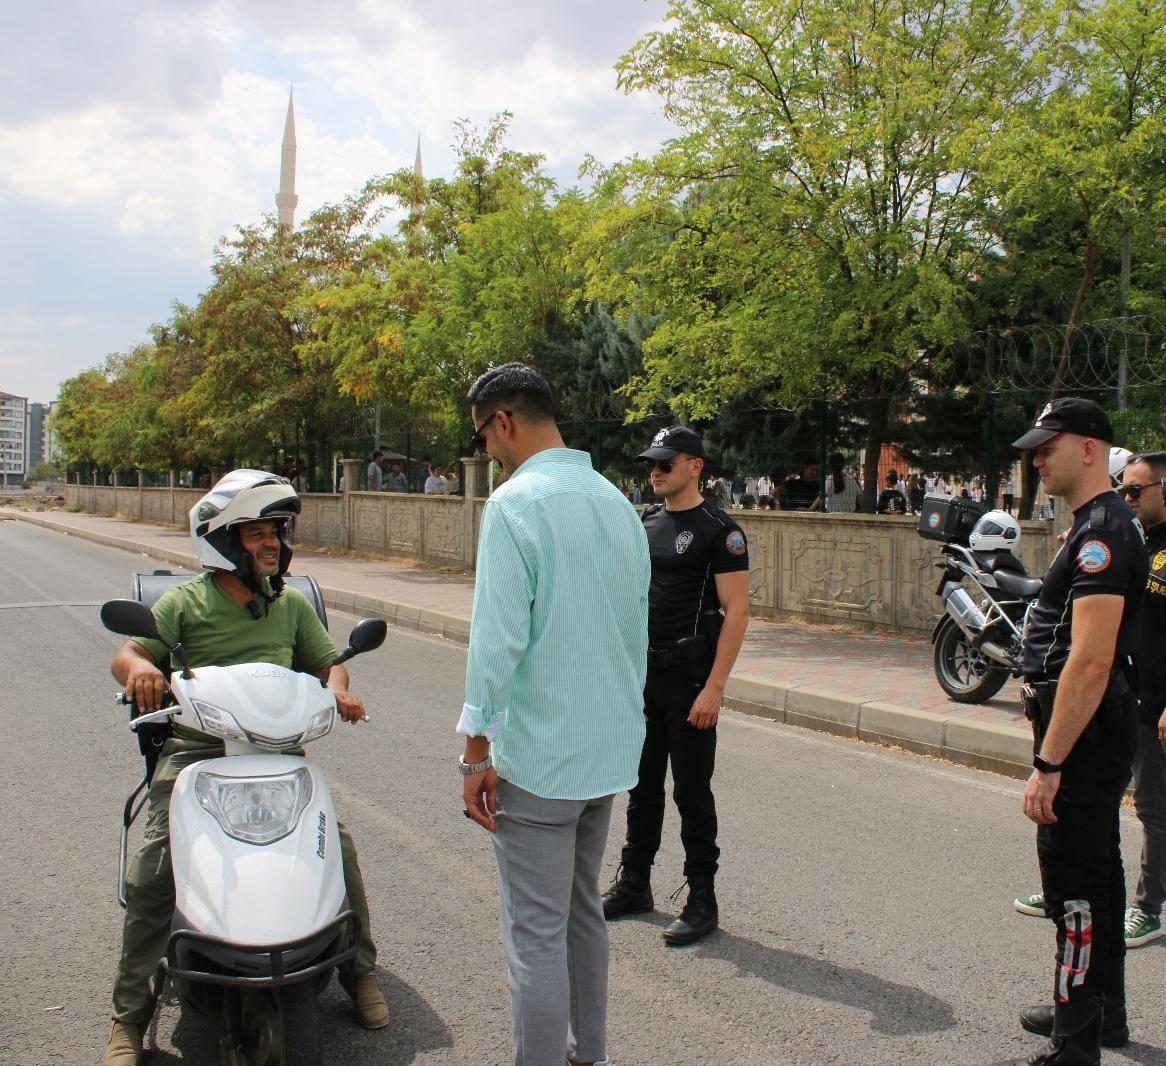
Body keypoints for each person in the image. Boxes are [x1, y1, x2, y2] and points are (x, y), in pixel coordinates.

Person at [103, 470, 388, 1066]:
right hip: (196, 755)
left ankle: (359, 972)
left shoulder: (288, 608)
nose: (271, 545)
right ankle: (129, 1018)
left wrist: (338, 689)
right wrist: (140, 670)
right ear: (222, 543)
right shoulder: (185, 603)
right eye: (256, 533)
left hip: (279, 755)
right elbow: (127, 653)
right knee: (153, 868)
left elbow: (330, 664)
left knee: (339, 852)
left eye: (275, 534)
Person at [457, 364, 650, 1066]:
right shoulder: (617, 502)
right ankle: (585, 1055)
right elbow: (633, 629)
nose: (485, 451)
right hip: (604, 751)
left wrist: (476, 751)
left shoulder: (515, 504)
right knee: (579, 915)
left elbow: (497, 640)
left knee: (535, 932)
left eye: (483, 435)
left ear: (503, 421)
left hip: (539, 756)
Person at [1007, 399, 1146, 1066]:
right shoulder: (1099, 523)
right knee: (1101, 877)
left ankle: (1075, 1044)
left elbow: (1089, 659)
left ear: (1089, 448)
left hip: (1084, 735)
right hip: (1096, 727)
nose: (1037, 458)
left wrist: (1048, 762)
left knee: (1075, 891)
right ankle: (1100, 1013)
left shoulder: (1103, 532)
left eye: (1048, 446)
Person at [602, 426, 750, 947]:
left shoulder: (720, 530)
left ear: (695, 466)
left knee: (691, 792)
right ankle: (635, 884)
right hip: (643, 679)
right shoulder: (647, 524)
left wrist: (715, 687)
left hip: (690, 684)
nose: (656, 470)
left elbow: (737, 613)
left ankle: (702, 899)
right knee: (640, 788)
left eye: (666, 462)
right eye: (652, 463)